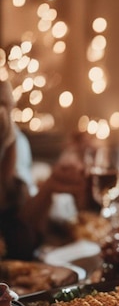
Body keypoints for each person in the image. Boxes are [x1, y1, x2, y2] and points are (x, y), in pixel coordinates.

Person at [0, 79, 88, 259]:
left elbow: (21, 229)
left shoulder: (17, 141)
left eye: (8, 107)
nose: (4, 115)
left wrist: (50, 188)